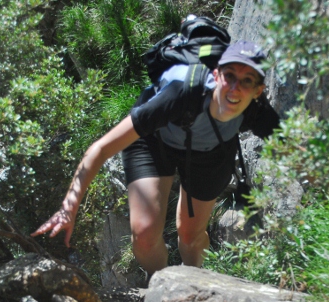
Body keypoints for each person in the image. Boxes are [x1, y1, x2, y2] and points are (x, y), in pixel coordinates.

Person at [32, 40, 280, 278]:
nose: (235, 88)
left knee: (191, 236)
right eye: (230, 76)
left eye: (247, 81)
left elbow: (301, 153)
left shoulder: (259, 113)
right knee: (144, 235)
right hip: (154, 142)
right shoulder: (178, 96)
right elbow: (100, 149)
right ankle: (160, 284)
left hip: (212, 150)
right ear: (216, 76)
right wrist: (68, 208)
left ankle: (195, 282)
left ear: (259, 90)